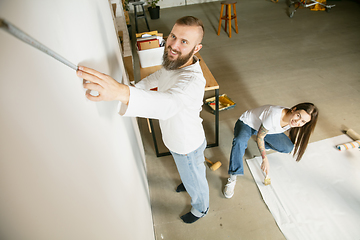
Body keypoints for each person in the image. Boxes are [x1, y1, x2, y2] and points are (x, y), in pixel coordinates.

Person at [77, 16, 209, 224]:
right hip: (190, 138)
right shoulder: (175, 62)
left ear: (196, 48)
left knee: (195, 176)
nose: (173, 45)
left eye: (184, 42)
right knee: (194, 170)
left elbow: (168, 105)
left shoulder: (191, 81)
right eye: (173, 36)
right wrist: (133, 89)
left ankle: (201, 207)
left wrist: (121, 92)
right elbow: (157, 77)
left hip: (186, 145)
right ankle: (190, 179)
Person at [223, 103, 319, 198]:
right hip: (247, 124)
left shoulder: (292, 121)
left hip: (265, 129)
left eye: (303, 122)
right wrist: (264, 159)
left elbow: (280, 131)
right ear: (294, 109)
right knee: (239, 142)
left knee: (288, 147)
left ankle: (264, 146)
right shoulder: (274, 115)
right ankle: (232, 178)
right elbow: (260, 137)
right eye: (298, 115)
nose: (297, 122)